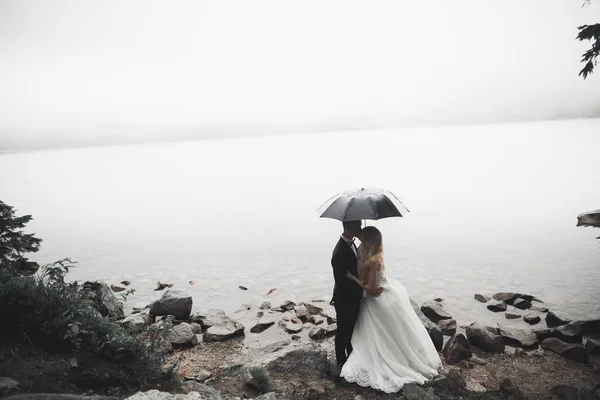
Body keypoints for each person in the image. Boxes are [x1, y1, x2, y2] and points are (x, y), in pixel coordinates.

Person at [340, 226, 441, 393]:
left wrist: (354, 279)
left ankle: (388, 360)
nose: (360, 241)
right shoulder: (375, 257)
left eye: (363, 239)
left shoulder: (372, 262)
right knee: (391, 334)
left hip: (377, 300)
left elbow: (371, 289)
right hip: (385, 295)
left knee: (378, 334)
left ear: (369, 242)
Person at [330, 220, 382, 367]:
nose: (360, 228)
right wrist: (362, 289)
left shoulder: (352, 243)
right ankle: (341, 362)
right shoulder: (340, 251)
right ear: (349, 227)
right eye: (358, 225)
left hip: (354, 298)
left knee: (352, 331)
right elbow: (341, 282)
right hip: (346, 299)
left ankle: (352, 359)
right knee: (343, 332)